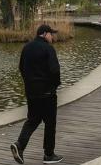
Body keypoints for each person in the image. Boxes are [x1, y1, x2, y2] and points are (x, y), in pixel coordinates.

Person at [11, 24, 64, 164]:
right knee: (50, 123)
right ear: (45, 34)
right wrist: (55, 86)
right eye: (51, 34)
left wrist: (29, 84)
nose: (52, 37)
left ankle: (19, 145)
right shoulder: (48, 48)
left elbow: (21, 68)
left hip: (32, 93)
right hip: (47, 93)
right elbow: (55, 70)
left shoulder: (26, 47)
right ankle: (49, 155)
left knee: (33, 120)